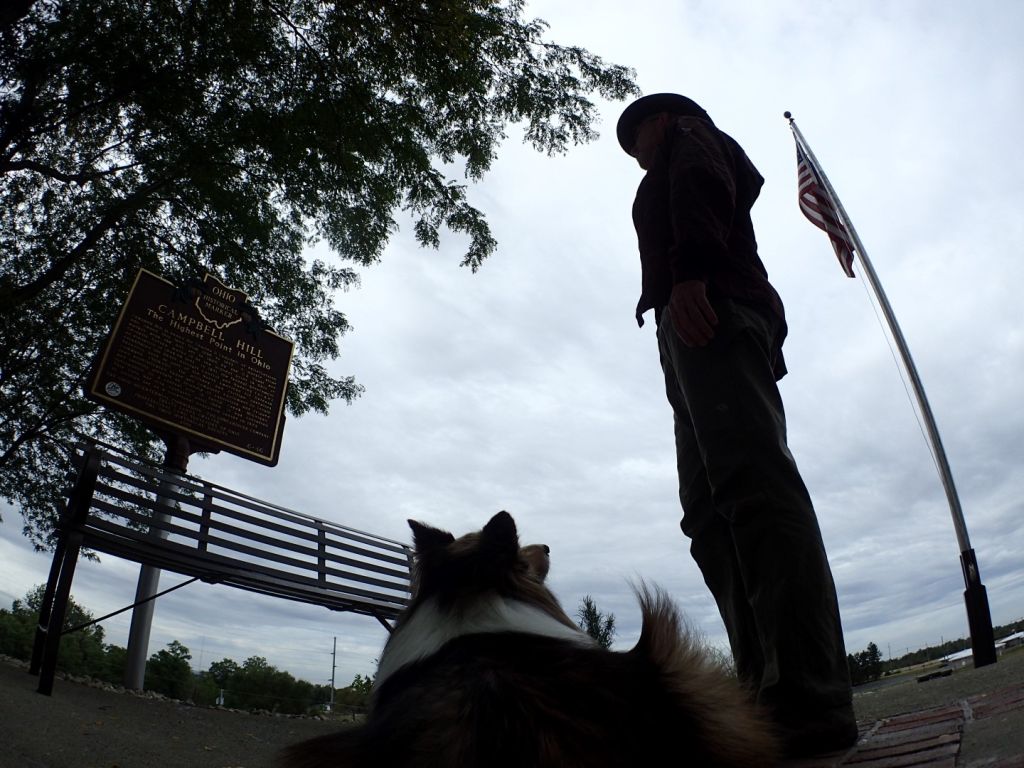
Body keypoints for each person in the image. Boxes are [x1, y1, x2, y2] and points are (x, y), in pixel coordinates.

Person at [615, 93, 857, 757]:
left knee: (754, 489)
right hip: (684, 327)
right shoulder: (668, 157)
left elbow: (704, 184)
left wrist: (690, 273)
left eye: (636, 143)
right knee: (708, 515)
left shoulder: (688, 136)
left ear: (658, 123)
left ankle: (808, 697)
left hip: (712, 307)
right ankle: (762, 692)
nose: (636, 158)